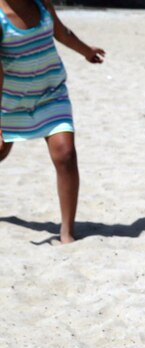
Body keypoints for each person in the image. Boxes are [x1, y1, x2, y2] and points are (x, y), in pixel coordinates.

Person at [0, 0, 103, 244]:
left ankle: (67, 231)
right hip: (11, 100)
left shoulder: (41, 3)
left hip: (51, 93)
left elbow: (61, 32)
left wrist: (86, 51)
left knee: (65, 154)